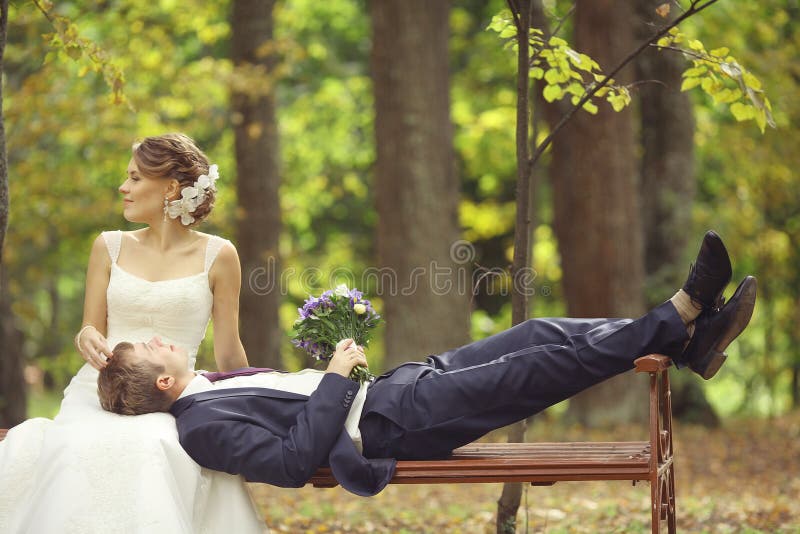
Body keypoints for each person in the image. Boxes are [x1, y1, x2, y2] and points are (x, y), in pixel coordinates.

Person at [97, 232, 757, 498]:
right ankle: (684, 312)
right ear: (161, 381)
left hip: (397, 387)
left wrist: (342, 365)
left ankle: (689, 340)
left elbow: (290, 403)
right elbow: (293, 462)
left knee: (537, 331)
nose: (160, 335)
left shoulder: (214, 383)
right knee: (543, 368)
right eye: (149, 344)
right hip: (395, 424)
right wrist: (333, 377)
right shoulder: (199, 428)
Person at [0, 134, 266, 533]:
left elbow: (229, 352)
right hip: (100, 390)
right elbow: (91, 328)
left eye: (136, 178)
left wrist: (255, 403)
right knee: (73, 448)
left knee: (157, 447)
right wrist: (85, 336)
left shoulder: (220, 255)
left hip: (171, 397)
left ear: (171, 188)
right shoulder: (108, 246)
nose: (124, 188)